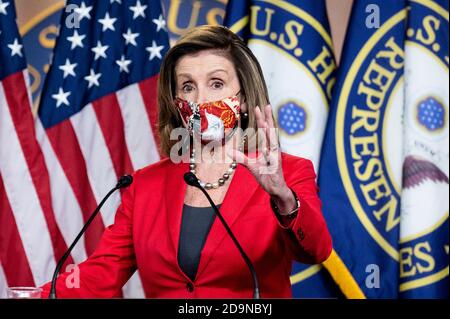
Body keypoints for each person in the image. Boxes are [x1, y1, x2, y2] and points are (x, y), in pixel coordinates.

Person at [41, 25, 332, 298]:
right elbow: (99, 274)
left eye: (216, 83)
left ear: (243, 98)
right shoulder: (143, 185)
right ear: (175, 99)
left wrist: (284, 198)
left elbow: (316, 251)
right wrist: (31, 295)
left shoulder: (290, 172)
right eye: (188, 87)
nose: (201, 98)